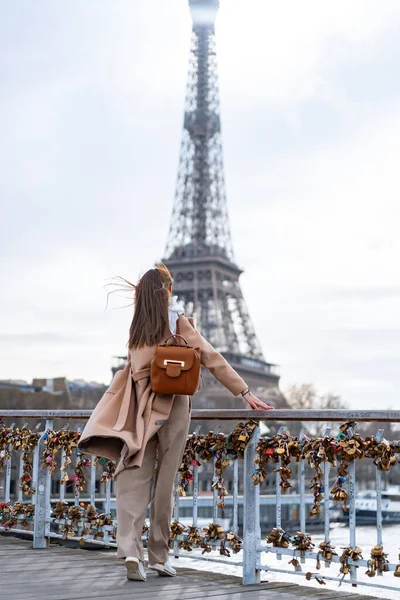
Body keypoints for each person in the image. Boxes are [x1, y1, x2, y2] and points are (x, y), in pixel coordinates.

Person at [78, 263, 273, 582]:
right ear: (168, 291)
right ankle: (159, 555)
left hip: (140, 407)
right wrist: (244, 391)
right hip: (174, 405)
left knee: (132, 479)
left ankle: (130, 551)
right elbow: (210, 357)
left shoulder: (138, 326)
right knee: (165, 483)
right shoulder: (177, 321)